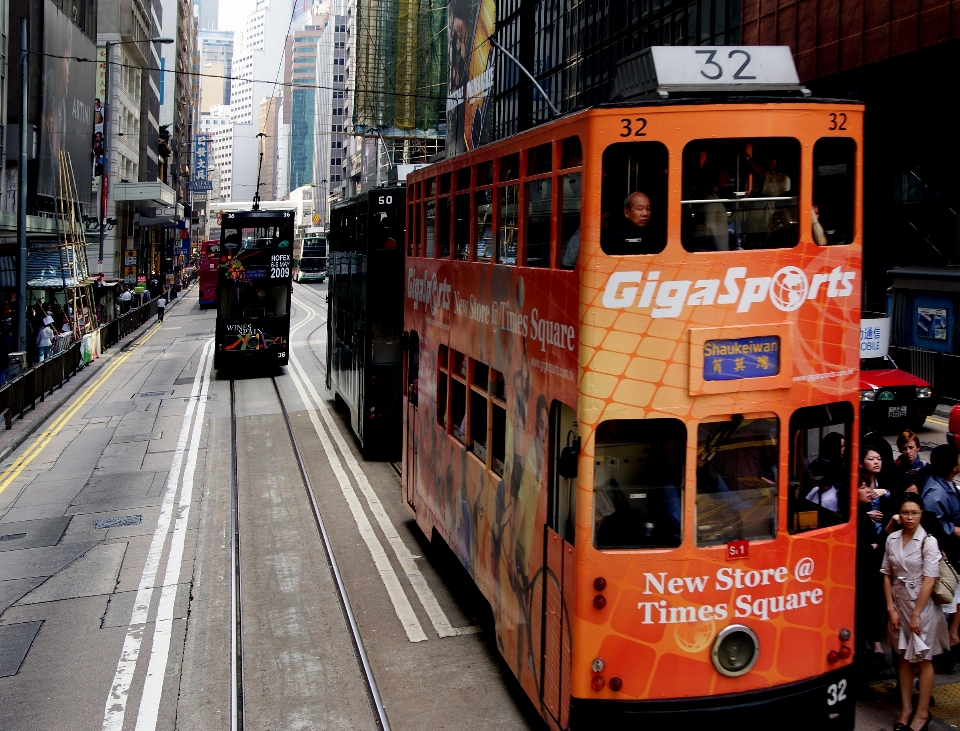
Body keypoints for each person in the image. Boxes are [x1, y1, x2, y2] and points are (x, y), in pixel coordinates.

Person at [883, 492, 950, 731]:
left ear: (921, 514)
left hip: (922, 607)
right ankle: (906, 710)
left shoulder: (928, 541)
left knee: (923, 659)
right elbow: (887, 574)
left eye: (914, 513)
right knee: (902, 658)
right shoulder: (892, 539)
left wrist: (915, 614)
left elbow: (930, 580)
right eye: (905, 512)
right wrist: (891, 608)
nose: (909, 517)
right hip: (899, 605)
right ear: (898, 515)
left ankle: (922, 714)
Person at [856, 472, 886, 682]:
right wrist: (873, 545)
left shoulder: (865, 513)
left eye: (869, 486)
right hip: (862, 578)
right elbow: (862, 550)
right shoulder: (857, 518)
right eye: (863, 487)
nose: (868, 490)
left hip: (870, 577)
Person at [920, 444, 960, 545]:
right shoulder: (935, 495)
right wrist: (953, 530)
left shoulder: (946, 481)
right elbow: (932, 524)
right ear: (954, 468)